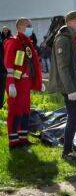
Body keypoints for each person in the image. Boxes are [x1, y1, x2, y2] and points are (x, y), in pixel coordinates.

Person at [48, 11, 76, 160]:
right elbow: (63, 67)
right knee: (74, 116)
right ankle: (67, 150)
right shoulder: (63, 39)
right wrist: (69, 90)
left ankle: (66, 138)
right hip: (72, 85)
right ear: (69, 22)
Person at [4, 18, 43, 148]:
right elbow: (8, 64)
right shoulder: (13, 42)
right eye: (28, 25)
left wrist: (37, 81)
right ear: (20, 27)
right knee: (15, 111)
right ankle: (14, 141)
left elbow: (32, 64)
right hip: (17, 83)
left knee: (25, 110)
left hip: (26, 83)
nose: (31, 28)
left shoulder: (27, 43)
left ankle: (23, 138)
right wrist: (10, 83)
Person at [0, 26, 11, 108]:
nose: (5, 31)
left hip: (3, 70)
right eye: (4, 30)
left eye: (6, 29)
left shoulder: (10, 38)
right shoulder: (1, 38)